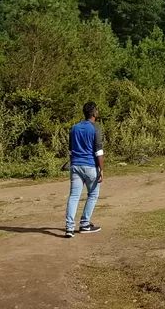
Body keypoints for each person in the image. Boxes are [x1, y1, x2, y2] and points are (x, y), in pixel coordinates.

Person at [65, 101, 104, 237]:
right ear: (94, 113)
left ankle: (69, 228)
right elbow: (98, 151)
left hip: (75, 165)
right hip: (90, 166)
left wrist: (73, 163)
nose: (97, 112)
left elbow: (70, 150)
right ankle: (85, 224)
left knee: (74, 196)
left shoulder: (74, 128)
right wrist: (101, 169)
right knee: (93, 194)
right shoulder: (96, 128)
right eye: (97, 110)